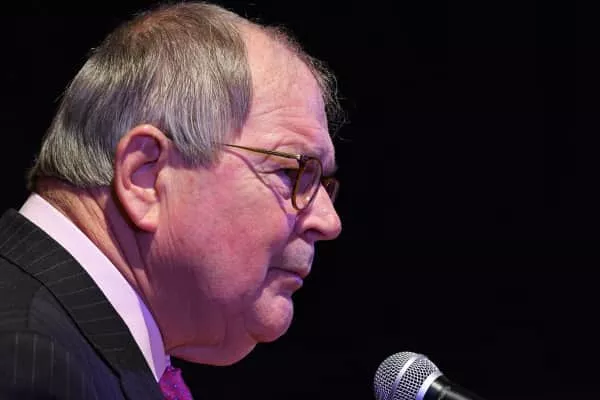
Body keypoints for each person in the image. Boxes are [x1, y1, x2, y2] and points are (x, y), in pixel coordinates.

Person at [0, 1, 343, 398]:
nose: (329, 221)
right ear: (145, 176)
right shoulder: (30, 364)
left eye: (323, 183)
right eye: (291, 173)